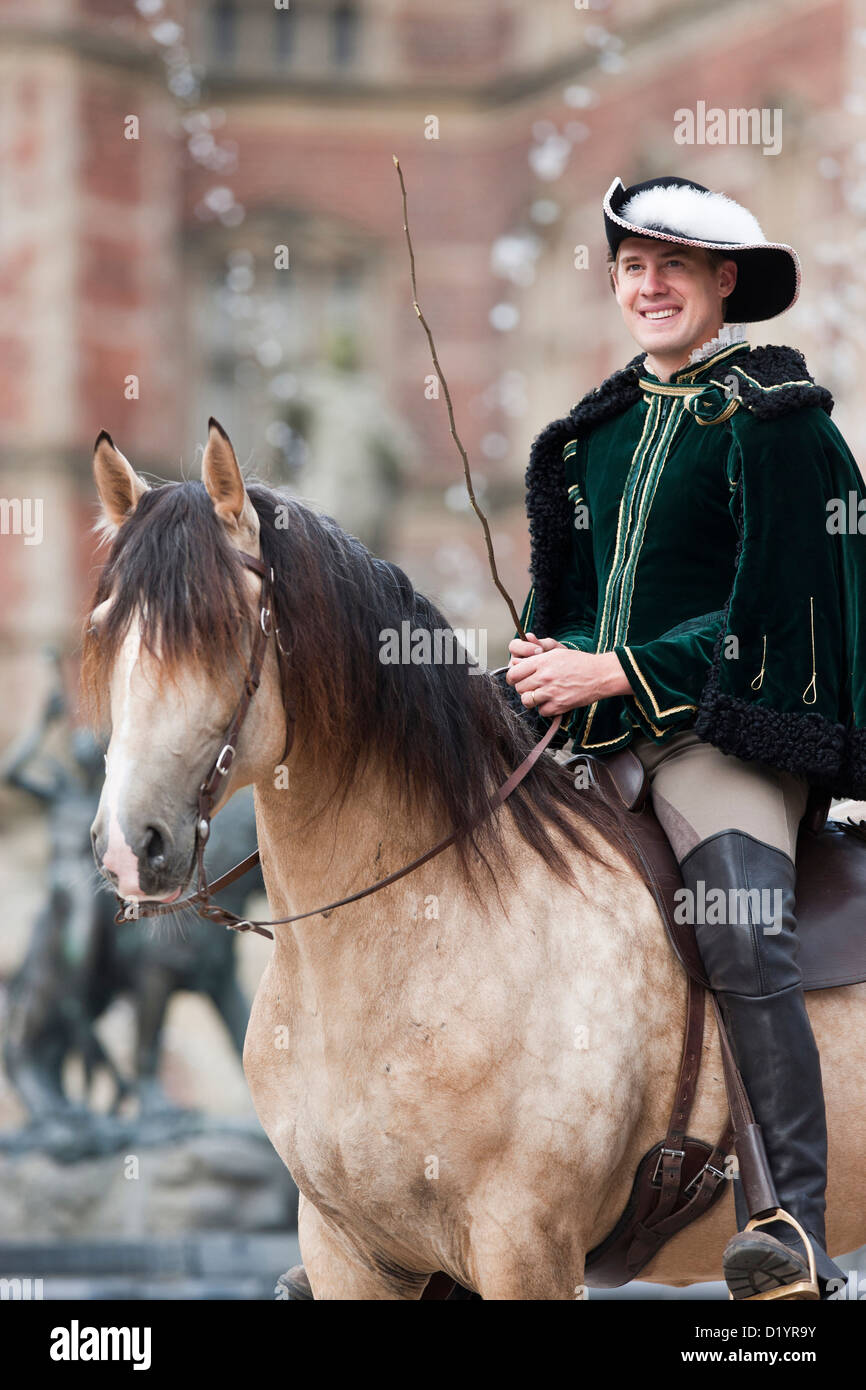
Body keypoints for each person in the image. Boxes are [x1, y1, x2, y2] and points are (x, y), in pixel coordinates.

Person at [505, 174, 866, 1300]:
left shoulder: (779, 427)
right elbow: (561, 599)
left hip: (720, 740)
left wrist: (619, 670)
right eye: (627, 268)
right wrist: (533, 661)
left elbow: (787, 602)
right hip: (580, 744)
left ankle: (788, 1224)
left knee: (741, 928)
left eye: (669, 266)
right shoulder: (589, 438)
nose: (645, 285)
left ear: (723, 285)